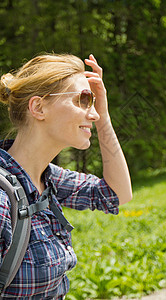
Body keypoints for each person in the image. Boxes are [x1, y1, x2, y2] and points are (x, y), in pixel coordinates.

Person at [0, 53, 132, 299]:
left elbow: (117, 194)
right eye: (83, 99)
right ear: (38, 107)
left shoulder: (47, 178)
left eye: (91, 101)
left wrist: (103, 112)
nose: (92, 114)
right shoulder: (2, 200)